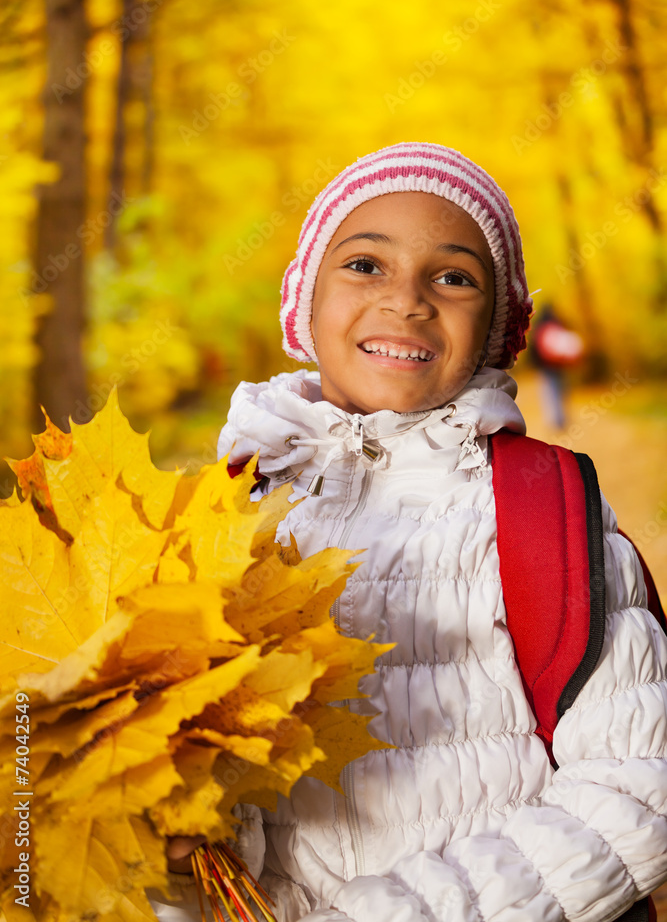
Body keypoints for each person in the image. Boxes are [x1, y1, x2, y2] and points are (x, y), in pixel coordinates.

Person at [150, 142, 667, 922]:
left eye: (454, 277)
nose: (407, 300)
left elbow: (639, 785)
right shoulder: (214, 518)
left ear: (499, 325)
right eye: (363, 264)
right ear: (302, 301)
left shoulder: (542, 512)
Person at [529, 303, 584, 429]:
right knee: (561, 391)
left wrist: (535, 364)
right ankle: (561, 419)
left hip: (545, 366)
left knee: (550, 392)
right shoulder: (557, 324)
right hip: (559, 364)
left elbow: (534, 348)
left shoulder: (540, 326)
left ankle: (554, 420)